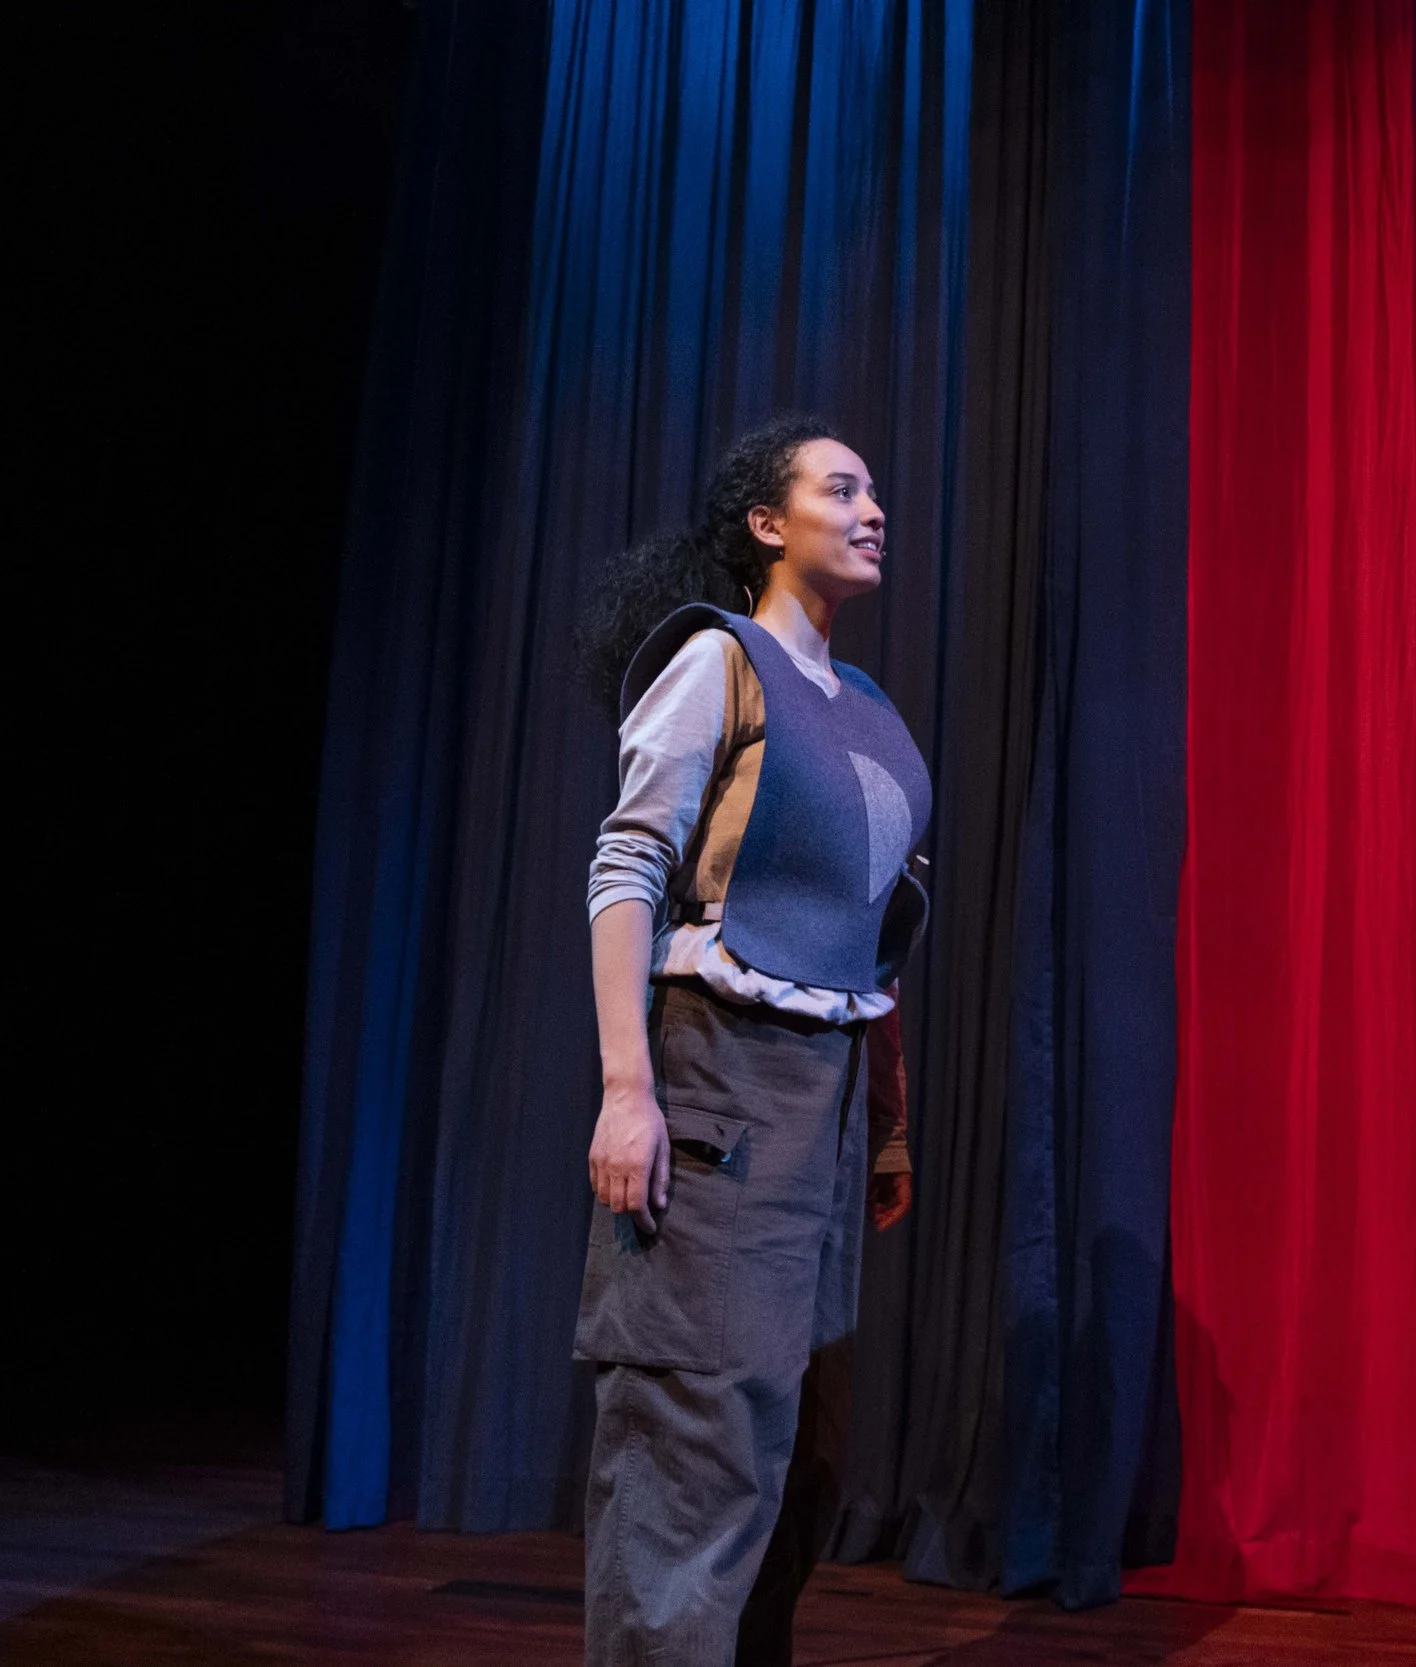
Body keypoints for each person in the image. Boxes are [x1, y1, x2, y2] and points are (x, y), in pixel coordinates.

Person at [572, 415, 931, 1666]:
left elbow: (864, 939)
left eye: (876, 487)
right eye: (842, 487)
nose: (873, 505)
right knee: (693, 1442)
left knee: (794, 1459)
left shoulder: (864, 708)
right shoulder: (719, 663)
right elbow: (627, 865)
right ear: (768, 526)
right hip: (717, 1079)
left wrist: (881, 1126)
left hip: (819, 1114)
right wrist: (629, 1091)